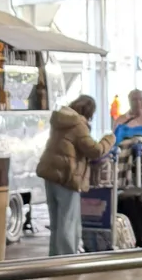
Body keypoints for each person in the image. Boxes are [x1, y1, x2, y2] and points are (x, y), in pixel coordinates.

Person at [36, 94, 113, 255]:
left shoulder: (60, 120)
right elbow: (95, 151)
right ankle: (67, 259)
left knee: (57, 221)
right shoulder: (78, 124)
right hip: (66, 175)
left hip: (51, 173)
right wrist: (109, 139)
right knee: (68, 220)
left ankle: (55, 257)